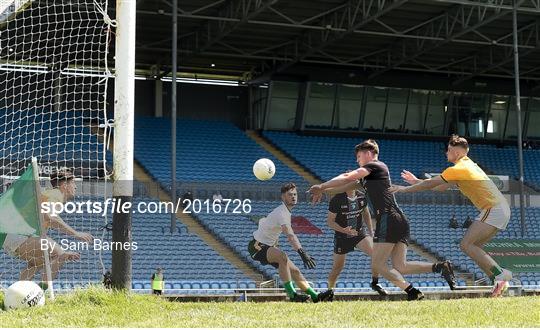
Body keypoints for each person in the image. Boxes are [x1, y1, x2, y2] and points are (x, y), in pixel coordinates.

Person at [308, 139, 456, 301]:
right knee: (401, 266)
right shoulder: (368, 178)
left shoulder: (376, 166)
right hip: (399, 220)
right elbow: (343, 187)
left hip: (388, 218)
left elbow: (347, 176)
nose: (357, 161)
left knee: (378, 264)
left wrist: (321, 186)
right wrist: (322, 190)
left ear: (368, 153)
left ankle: (412, 292)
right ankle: (441, 267)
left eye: (358, 157)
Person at [390, 135, 513, 297]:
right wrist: (415, 181)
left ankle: (500, 275)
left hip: (493, 208)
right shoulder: (466, 165)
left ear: (456, 151)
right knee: (474, 247)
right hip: (500, 209)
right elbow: (440, 188)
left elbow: (430, 184)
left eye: (448, 149)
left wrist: (402, 189)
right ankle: (497, 280)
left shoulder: (459, 168)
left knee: (466, 245)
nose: (446, 153)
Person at [0, 168, 93, 285]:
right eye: (73, 183)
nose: (76, 187)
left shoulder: (49, 194)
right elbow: (50, 217)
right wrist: (77, 234)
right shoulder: (56, 195)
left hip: (10, 235)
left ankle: (18, 293)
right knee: (59, 254)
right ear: (64, 185)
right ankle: (42, 292)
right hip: (17, 234)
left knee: (37, 263)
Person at [247, 182, 333, 303]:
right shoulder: (282, 212)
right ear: (283, 197)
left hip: (267, 246)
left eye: (295, 194)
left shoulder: (285, 212)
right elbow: (290, 235)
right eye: (290, 194)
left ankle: (315, 296)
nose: (293, 197)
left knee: (295, 271)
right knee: (283, 257)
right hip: (256, 247)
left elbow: (265, 222)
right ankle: (292, 295)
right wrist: (302, 252)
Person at [326, 186, 387, 296]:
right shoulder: (337, 199)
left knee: (376, 254)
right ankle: (330, 290)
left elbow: (366, 213)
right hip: (342, 236)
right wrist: (343, 230)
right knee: (338, 267)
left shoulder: (361, 196)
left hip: (359, 233)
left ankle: (375, 282)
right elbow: (330, 222)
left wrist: (371, 231)